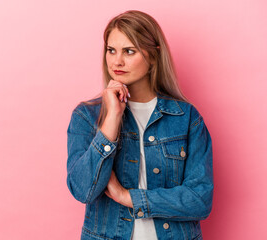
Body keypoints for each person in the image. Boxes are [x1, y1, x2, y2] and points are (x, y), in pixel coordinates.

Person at [66, 10, 213, 240]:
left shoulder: (185, 117)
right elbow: (83, 190)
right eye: (111, 50)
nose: (117, 61)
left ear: (153, 57)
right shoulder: (87, 116)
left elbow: (200, 199)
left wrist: (128, 197)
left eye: (129, 51)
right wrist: (112, 119)